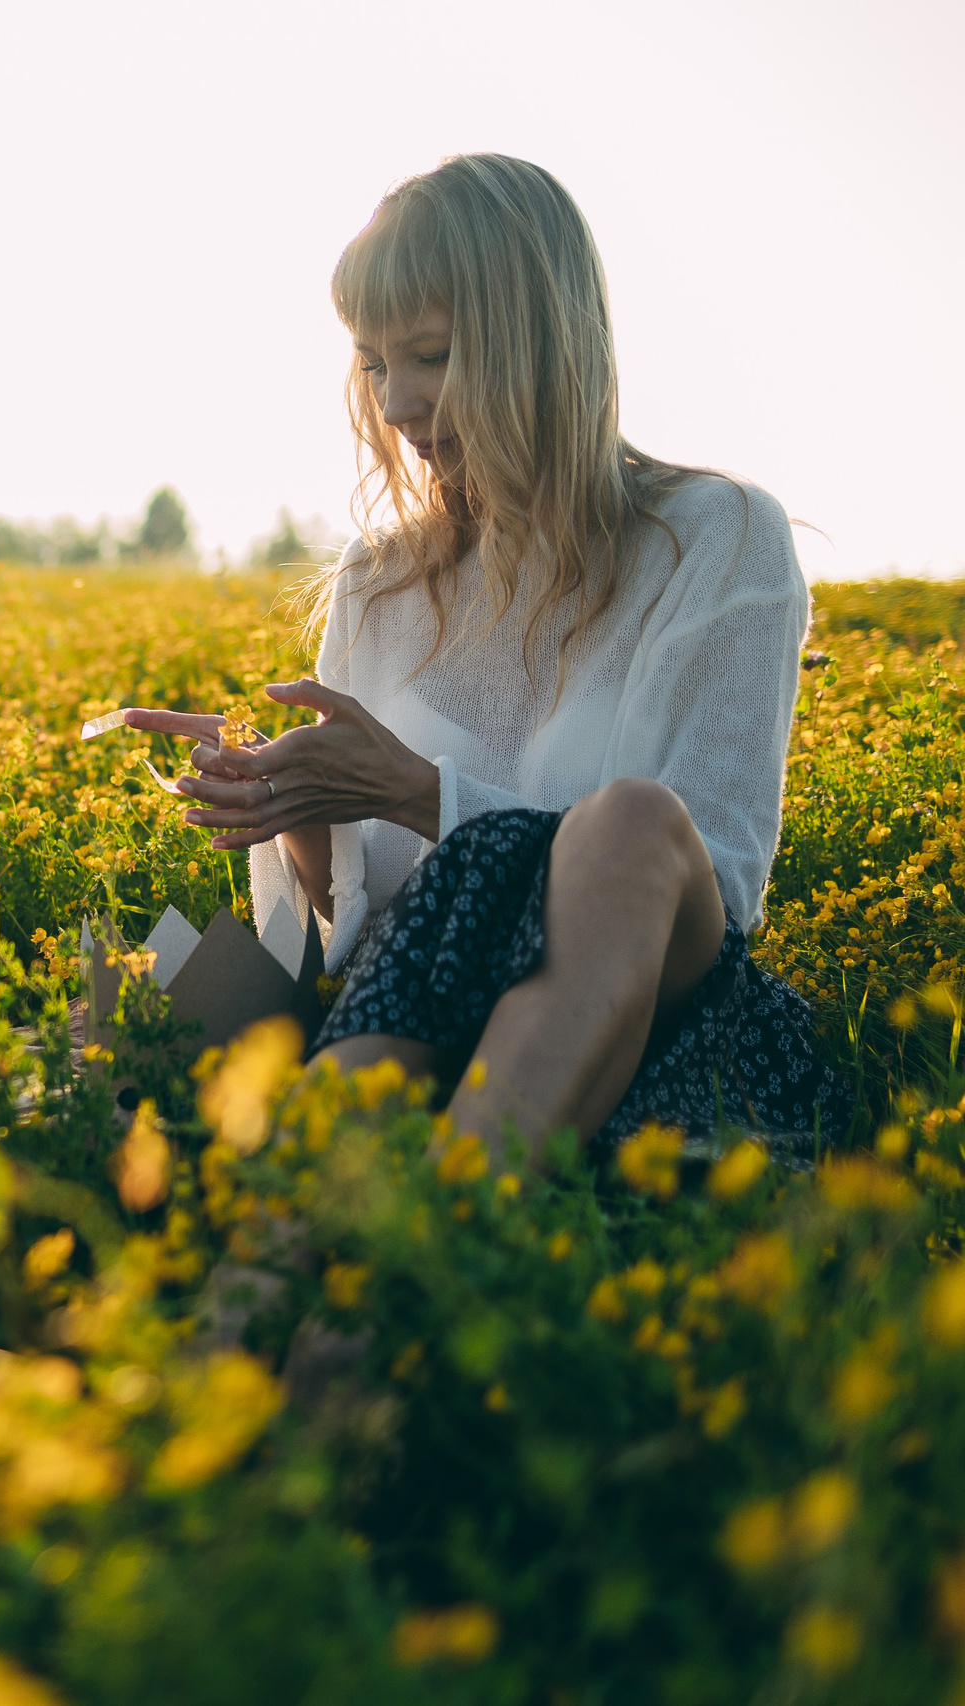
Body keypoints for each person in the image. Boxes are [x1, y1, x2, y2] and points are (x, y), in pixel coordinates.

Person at [118, 153, 849, 1164]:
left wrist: (424, 794)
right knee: (390, 1004)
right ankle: (328, 1238)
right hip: (419, 1021)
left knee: (630, 823)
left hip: (652, 1030)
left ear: (540, 339)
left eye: (428, 355)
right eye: (374, 365)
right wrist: (296, 804)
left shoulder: (718, 538)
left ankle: (441, 1208)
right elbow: (358, 926)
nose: (395, 404)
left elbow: (716, 885)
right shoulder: (377, 581)